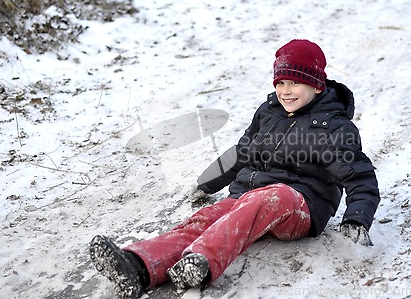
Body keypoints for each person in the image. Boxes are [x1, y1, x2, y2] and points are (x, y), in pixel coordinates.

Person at [89, 39, 380, 299]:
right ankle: (139, 265)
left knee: (270, 197)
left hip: (299, 205)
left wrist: (357, 217)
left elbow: (359, 175)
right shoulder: (268, 113)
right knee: (209, 217)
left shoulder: (333, 127)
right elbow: (242, 153)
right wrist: (207, 183)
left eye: (295, 83)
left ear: (316, 85)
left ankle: (202, 262)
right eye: (280, 83)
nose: (285, 91)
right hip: (250, 199)